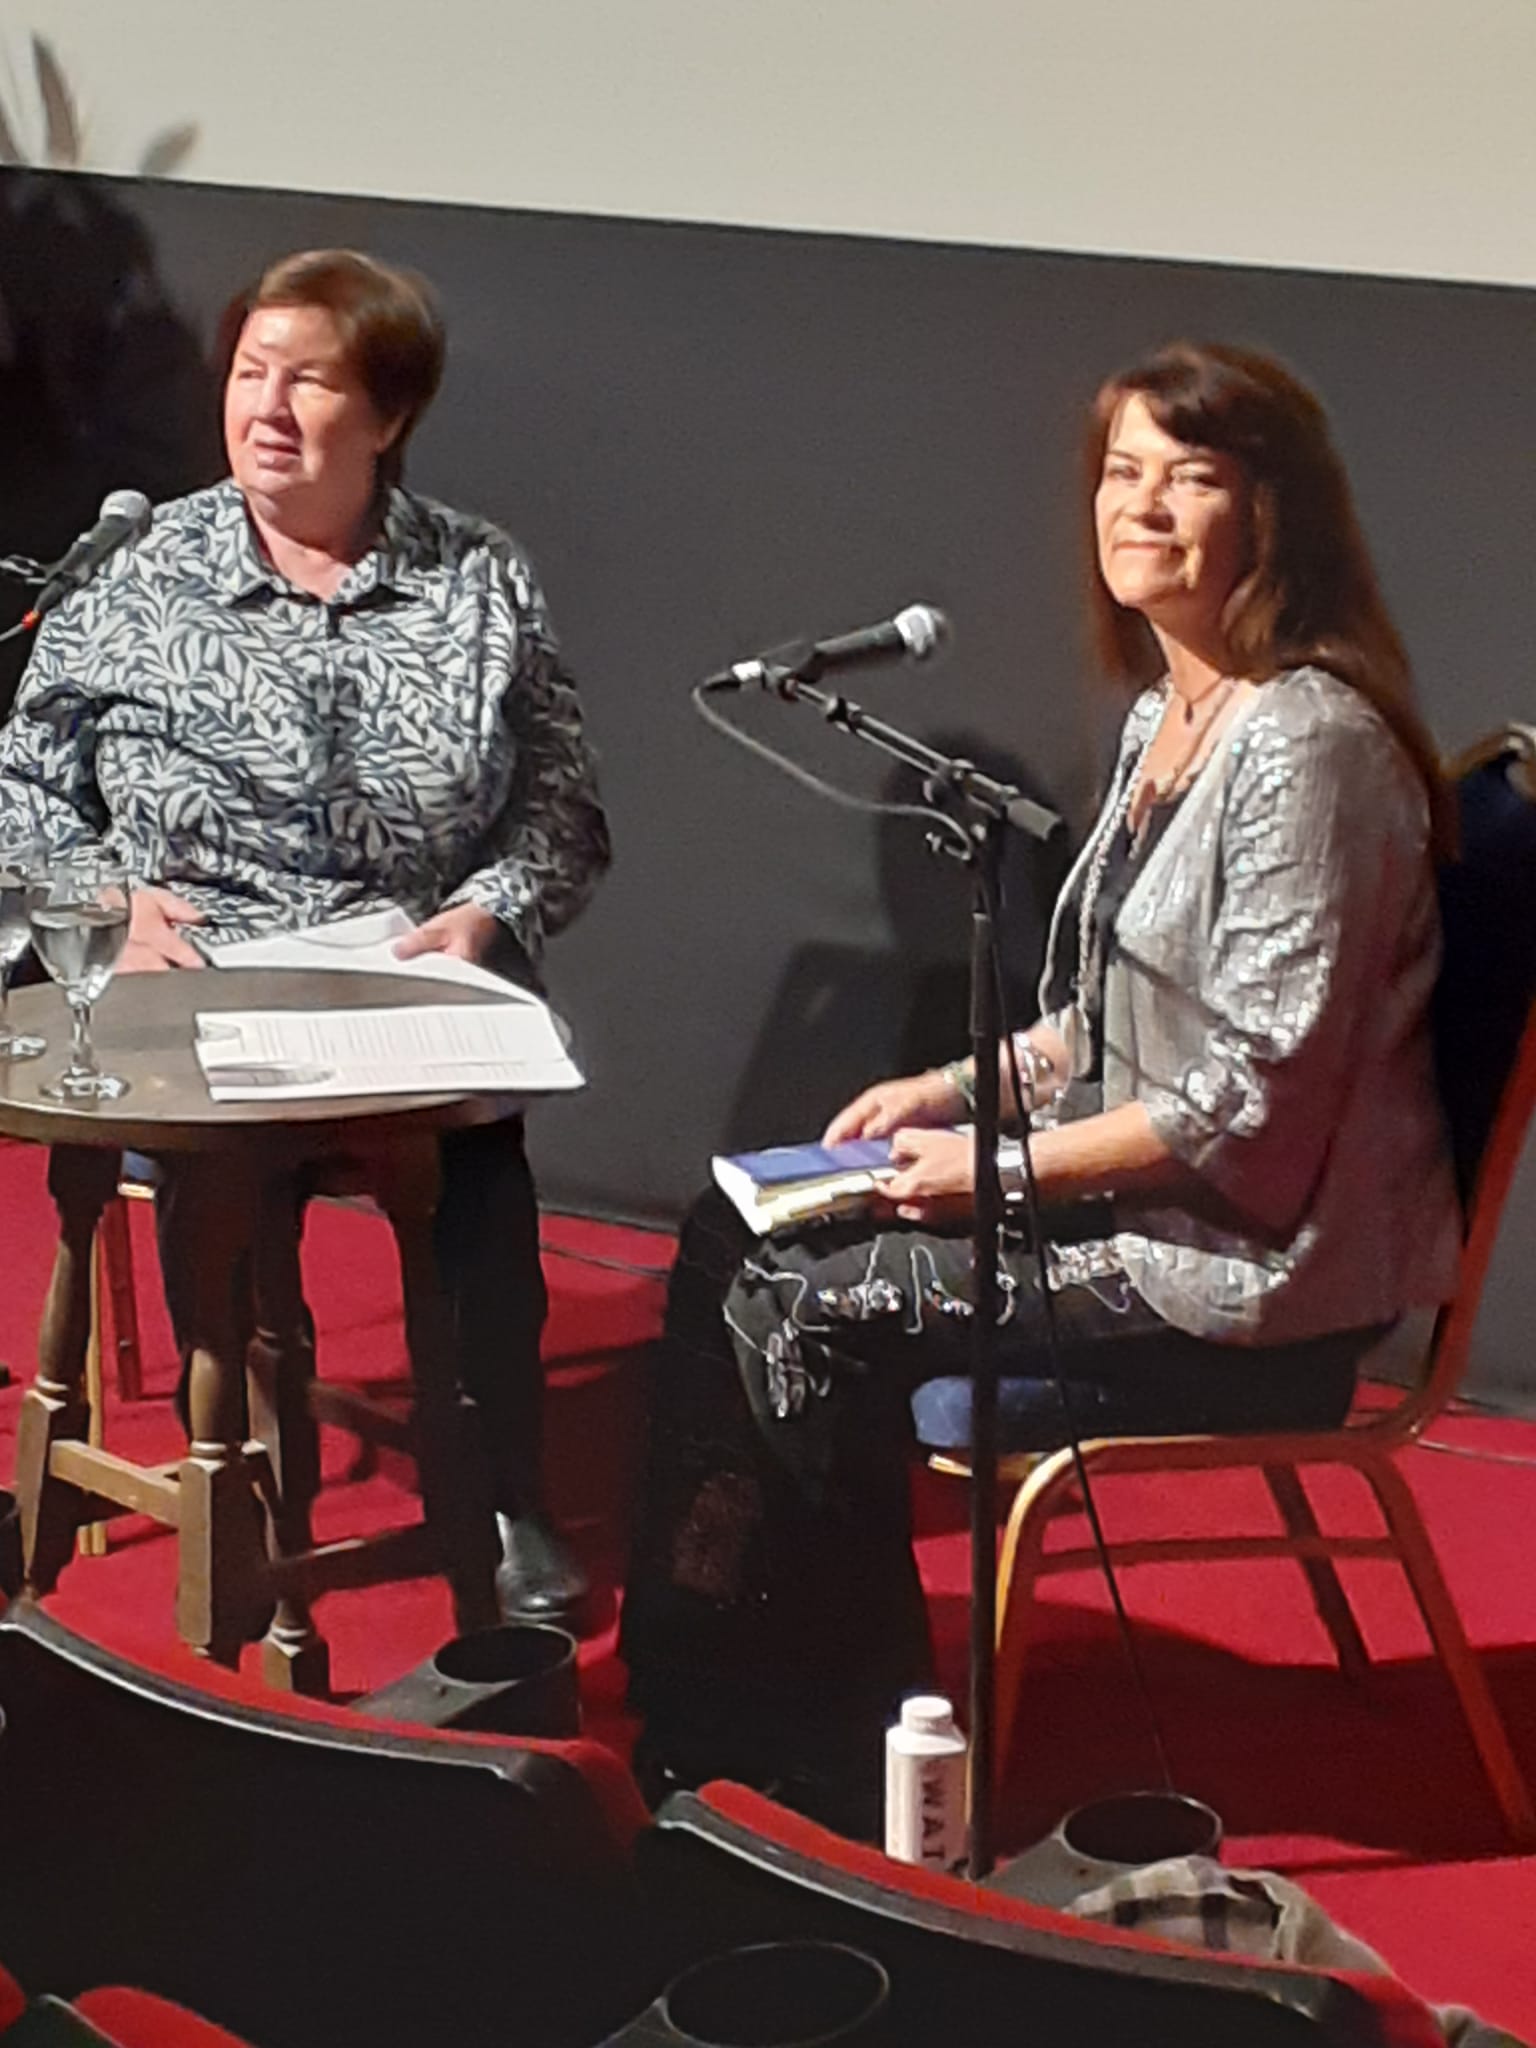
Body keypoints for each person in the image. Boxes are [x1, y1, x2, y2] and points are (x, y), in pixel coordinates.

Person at [619, 340, 1462, 1827]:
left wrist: (991, 1175)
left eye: (1190, 477)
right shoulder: (1166, 716)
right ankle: (713, 1688)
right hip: (1135, 1204)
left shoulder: (1308, 746)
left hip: (1230, 1272)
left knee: (802, 1302)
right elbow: (1095, 1018)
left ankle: (831, 1742)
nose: (1141, 508)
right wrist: (945, 1088)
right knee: (724, 1232)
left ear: (1277, 514)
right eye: (1122, 472)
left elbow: (1246, 1105)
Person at [0, 248, 610, 1624]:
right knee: (225, 1185)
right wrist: (100, 898)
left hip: (398, 993)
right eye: (249, 374)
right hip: (193, 992)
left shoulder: (478, 582)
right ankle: (252, 1480)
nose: (266, 408)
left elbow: (564, 813)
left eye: (310, 381)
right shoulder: (142, 571)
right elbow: (21, 788)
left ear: (388, 418)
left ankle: (506, 1487)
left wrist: (488, 913)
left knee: (476, 1185)